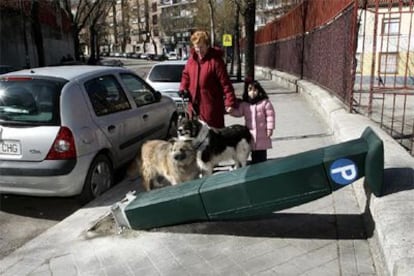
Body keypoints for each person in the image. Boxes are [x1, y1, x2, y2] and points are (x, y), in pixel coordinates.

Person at [179, 30, 237, 128]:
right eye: (196, 47)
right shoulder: (191, 61)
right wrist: (183, 88)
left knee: (212, 139)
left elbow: (225, 83)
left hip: (211, 108)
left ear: (207, 45)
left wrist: (230, 102)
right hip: (193, 108)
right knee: (196, 138)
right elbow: (186, 76)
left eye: (201, 47)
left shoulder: (215, 61)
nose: (199, 50)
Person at [229, 80, 276, 164]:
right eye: (250, 90)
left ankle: (262, 168)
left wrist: (270, 128)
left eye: (255, 90)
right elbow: (239, 113)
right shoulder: (245, 104)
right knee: (253, 155)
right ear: (247, 92)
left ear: (259, 91)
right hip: (250, 135)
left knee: (261, 156)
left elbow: (270, 115)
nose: (252, 92)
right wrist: (231, 111)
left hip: (262, 134)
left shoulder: (265, 103)